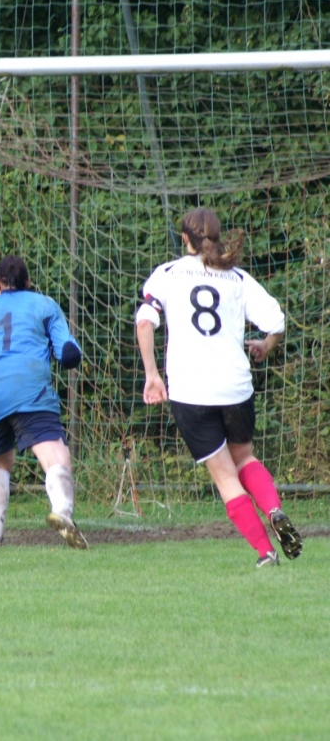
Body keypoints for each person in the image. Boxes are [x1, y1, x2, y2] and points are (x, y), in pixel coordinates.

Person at [136, 207, 302, 568]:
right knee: (245, 457)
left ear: (184, 239)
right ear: (216, 236)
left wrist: (152, 374)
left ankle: (265, 553)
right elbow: (276, 321)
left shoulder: (167, 274)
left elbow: (145, 322)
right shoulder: (238, 279)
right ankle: (274, 509)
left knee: (226, 477)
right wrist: (265, 345)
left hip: (190, 391)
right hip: (235, 386)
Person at [0, 255, 87, 550]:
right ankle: (62, 512)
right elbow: (68, 352)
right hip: (29, 388)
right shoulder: (45, 305)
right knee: (55, 457)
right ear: (28, 282)